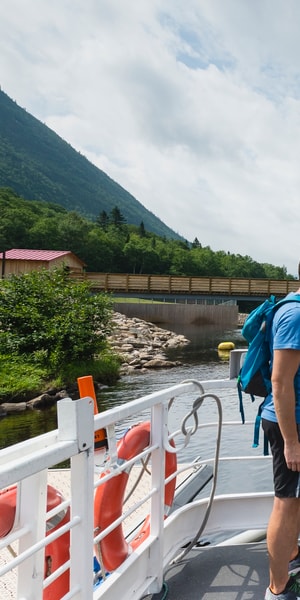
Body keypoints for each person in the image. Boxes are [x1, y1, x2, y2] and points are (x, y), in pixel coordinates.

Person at [261, 286, 300, 600]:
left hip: (292, 421)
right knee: (286, 502)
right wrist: (291, 442)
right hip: (292, 424)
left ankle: (291, 555)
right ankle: (279, 589)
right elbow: (280, 381)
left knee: (293, 500)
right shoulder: (296, 314)